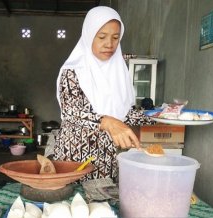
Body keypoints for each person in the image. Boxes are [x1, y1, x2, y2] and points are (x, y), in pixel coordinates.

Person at [53, 6, 154, 182]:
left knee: (103, 205)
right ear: (89, 35)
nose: (109, 44)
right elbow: (72, 112)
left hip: (107, 160)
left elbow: (123, 113)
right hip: (75, 157)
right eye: (102, 37)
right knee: (73, 207)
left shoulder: (118, 72)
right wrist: (106, 122)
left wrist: (159, 115)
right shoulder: (73, 71)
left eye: (115, 38)